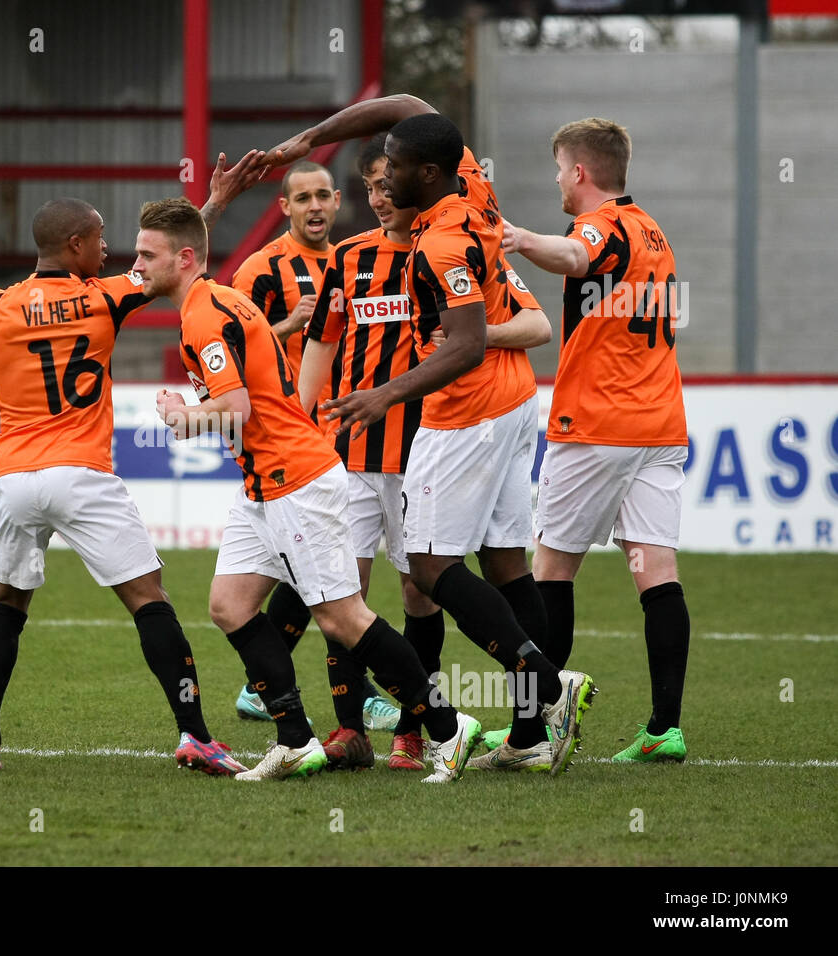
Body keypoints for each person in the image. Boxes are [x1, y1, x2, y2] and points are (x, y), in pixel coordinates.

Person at [0, 155, 263, 775]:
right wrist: (216, 202)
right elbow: (174, 260)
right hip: (82, 475)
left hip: (13, 480)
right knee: (150, 600)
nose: (115, 251)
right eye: (100, 239)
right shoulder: (102, 300)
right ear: (74, 245)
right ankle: (195, 734)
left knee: (6, 604)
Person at [270, 102, 596, 776]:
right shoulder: (470, 191)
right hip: (512, 406)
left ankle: (543, 680)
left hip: (466, 412)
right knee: (506, 559)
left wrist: (386, 392)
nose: (382, 180)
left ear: (426, 173)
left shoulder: (442, 242)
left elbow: (469, 343)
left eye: (392, 169)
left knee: (427, 566)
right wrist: (315, 136)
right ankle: (532, 734)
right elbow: (416, 109)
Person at [137, 196, 485, 783]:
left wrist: (182, 415)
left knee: (343, 618)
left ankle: (449, 728)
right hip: (264, 485)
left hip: (295, 480)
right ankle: (296, 740)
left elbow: (234, 405)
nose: (137, 265)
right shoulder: (214, 301)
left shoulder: (203, 314)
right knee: (230, 605)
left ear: (185, 257)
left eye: (147, 254)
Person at [501, 118, 690, 763]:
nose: (557, 180)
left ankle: (532, 731)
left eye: (559, 169)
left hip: (597, 426)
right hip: (659, 424)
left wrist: (519, 239)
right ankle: (666, 728)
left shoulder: (600, 225)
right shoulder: (653, 231)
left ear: (580, 172)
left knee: (552, 569)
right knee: (656, 573)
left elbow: (578, 255)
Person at [228, 160, 401, 735]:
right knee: (334, 576)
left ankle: (265, 688)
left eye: (324, 195)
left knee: (321, 572)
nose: (316, 207)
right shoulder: (261, 268)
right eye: (302, 198)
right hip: (293, 437)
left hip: (349, 428)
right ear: (284, 207)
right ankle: (369, 699)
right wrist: (285, 325)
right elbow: (229, 350)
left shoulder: (357, 258)